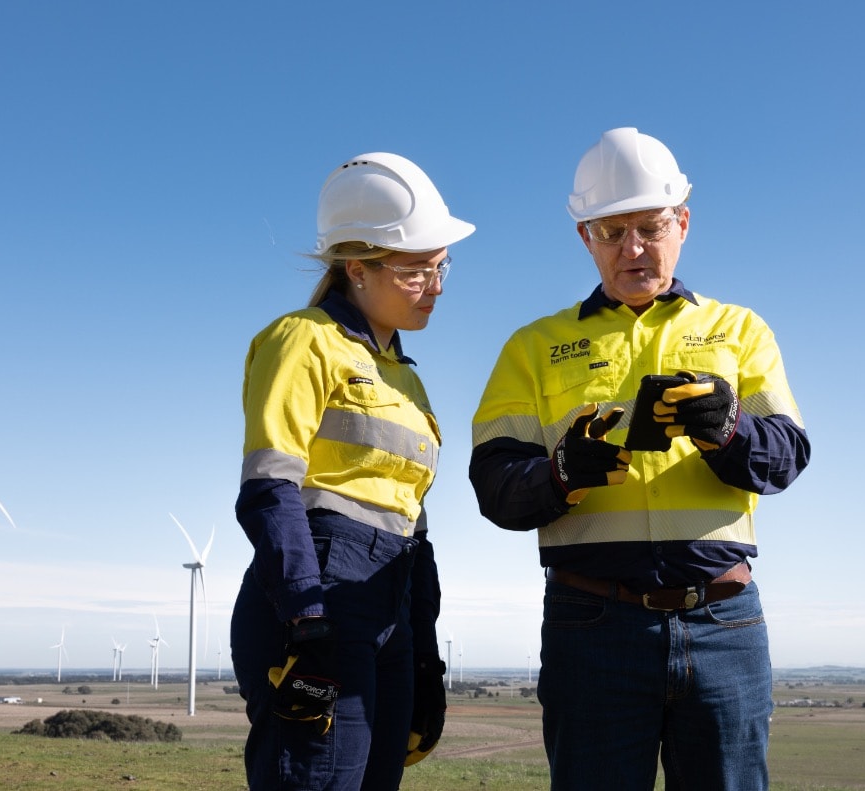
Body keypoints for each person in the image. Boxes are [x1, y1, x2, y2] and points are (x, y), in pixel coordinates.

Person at [469, 127, 810, 790]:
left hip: (723, 620)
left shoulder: (741, 331)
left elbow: (788, 454)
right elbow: (494, 483)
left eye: (649, 227)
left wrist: (729, 430)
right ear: (584, 238)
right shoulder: (532, 347)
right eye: (609, 230)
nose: (631, 248)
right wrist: (561, 473)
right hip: (591, 626)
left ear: (681, 222)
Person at [230, 152, 472, 790]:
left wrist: (425, 653)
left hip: (390, 597)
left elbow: (411, 522)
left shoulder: (407, 378)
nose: (436, 285)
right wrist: (307, 618)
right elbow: (268, 488)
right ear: (357, 269)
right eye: (416, 269)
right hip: (318, 593)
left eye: (441, 267)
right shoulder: (302, 339)